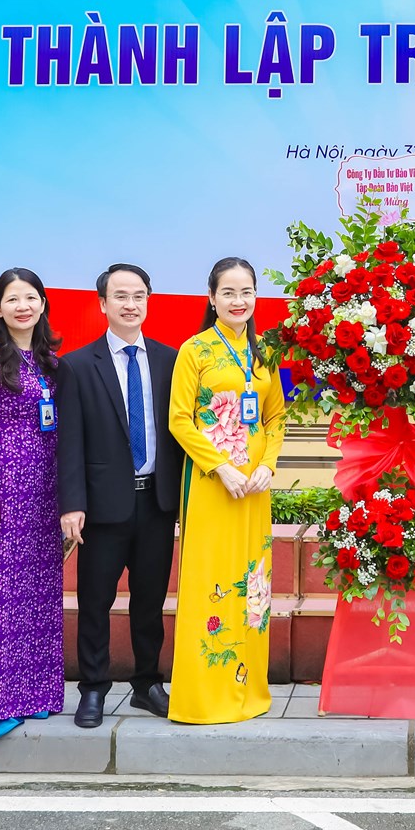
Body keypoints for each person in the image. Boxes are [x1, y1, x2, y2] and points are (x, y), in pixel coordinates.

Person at [56, 263, 181, 729]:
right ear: (103, 304)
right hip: (102, 507)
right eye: (121, 296)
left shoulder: (170, 361)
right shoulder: (77, 365)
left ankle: (147, 684)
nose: (131, 305)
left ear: (148, 301)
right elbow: (69, 441)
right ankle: (93, 689)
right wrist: (72, 504)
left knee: (150, 600)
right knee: (95, 601)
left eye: (139, 296)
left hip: (156, 503)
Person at [165, 257, 286, 724]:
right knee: (209, 580)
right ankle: (204, 697)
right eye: (228, 293)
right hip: (212, 486)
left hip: (254, 489)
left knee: (253, 582)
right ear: (212, 298)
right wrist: (220, 467)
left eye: (246, 292)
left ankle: (247, 690)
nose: (239, 301)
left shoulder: (265, 353)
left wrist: (267, 465)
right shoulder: (194, 350)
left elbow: (275, 416)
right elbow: (179, 420)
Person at [0, 268, 68, 741]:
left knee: (37, 594)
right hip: (0, 491)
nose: (23, 306)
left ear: (42, 304)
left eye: (31, 298)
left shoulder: (50, 362)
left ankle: (33, 694)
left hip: (43, 492)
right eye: (12, 299)